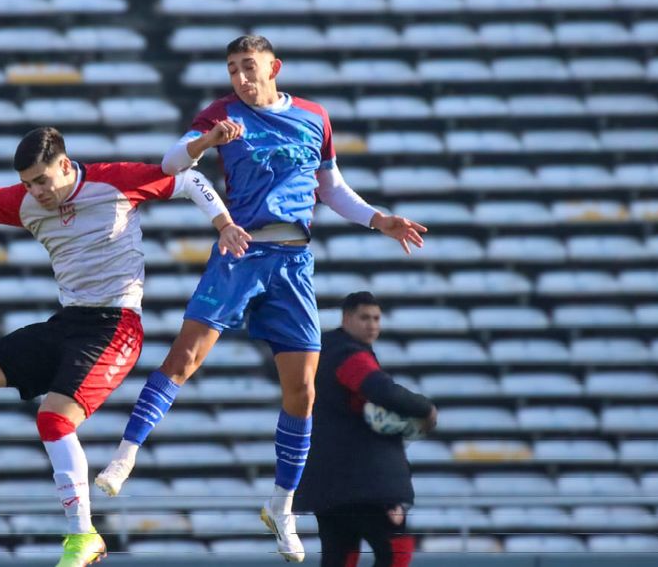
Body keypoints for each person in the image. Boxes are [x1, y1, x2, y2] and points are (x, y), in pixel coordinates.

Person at [96, 35, 429, 562]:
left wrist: (378, 219)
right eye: (232, 69)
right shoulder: (220, 114)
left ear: (274, 67)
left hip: (294, 263)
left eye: (248, 67)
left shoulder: (315, 117)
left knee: (303, 393)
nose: (240, 78)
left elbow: (330, 186)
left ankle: (281, 505)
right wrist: (205, 143)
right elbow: (168, 163)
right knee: (184, 358)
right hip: (241, 249)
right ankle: (124, 456)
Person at [0, 127, 249, 567]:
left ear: (65, 165)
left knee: (54, 419)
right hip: (68, 322)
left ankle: (85, 536)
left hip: (116, 328)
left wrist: (224, 224)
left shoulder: (113, 180)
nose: (36, 192)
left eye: (42, 180)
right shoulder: (22, 202)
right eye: (27, 184)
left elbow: (188, 180)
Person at [294, 292, 435, 567]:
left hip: (330, 485)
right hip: (366, 482)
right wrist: (425, 409)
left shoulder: (324, 353)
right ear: (347, 319)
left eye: (377, 318)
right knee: (396, 550)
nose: (372, 325)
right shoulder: (347, 354)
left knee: (340, 556)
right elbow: (380, 389)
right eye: (364, 317)